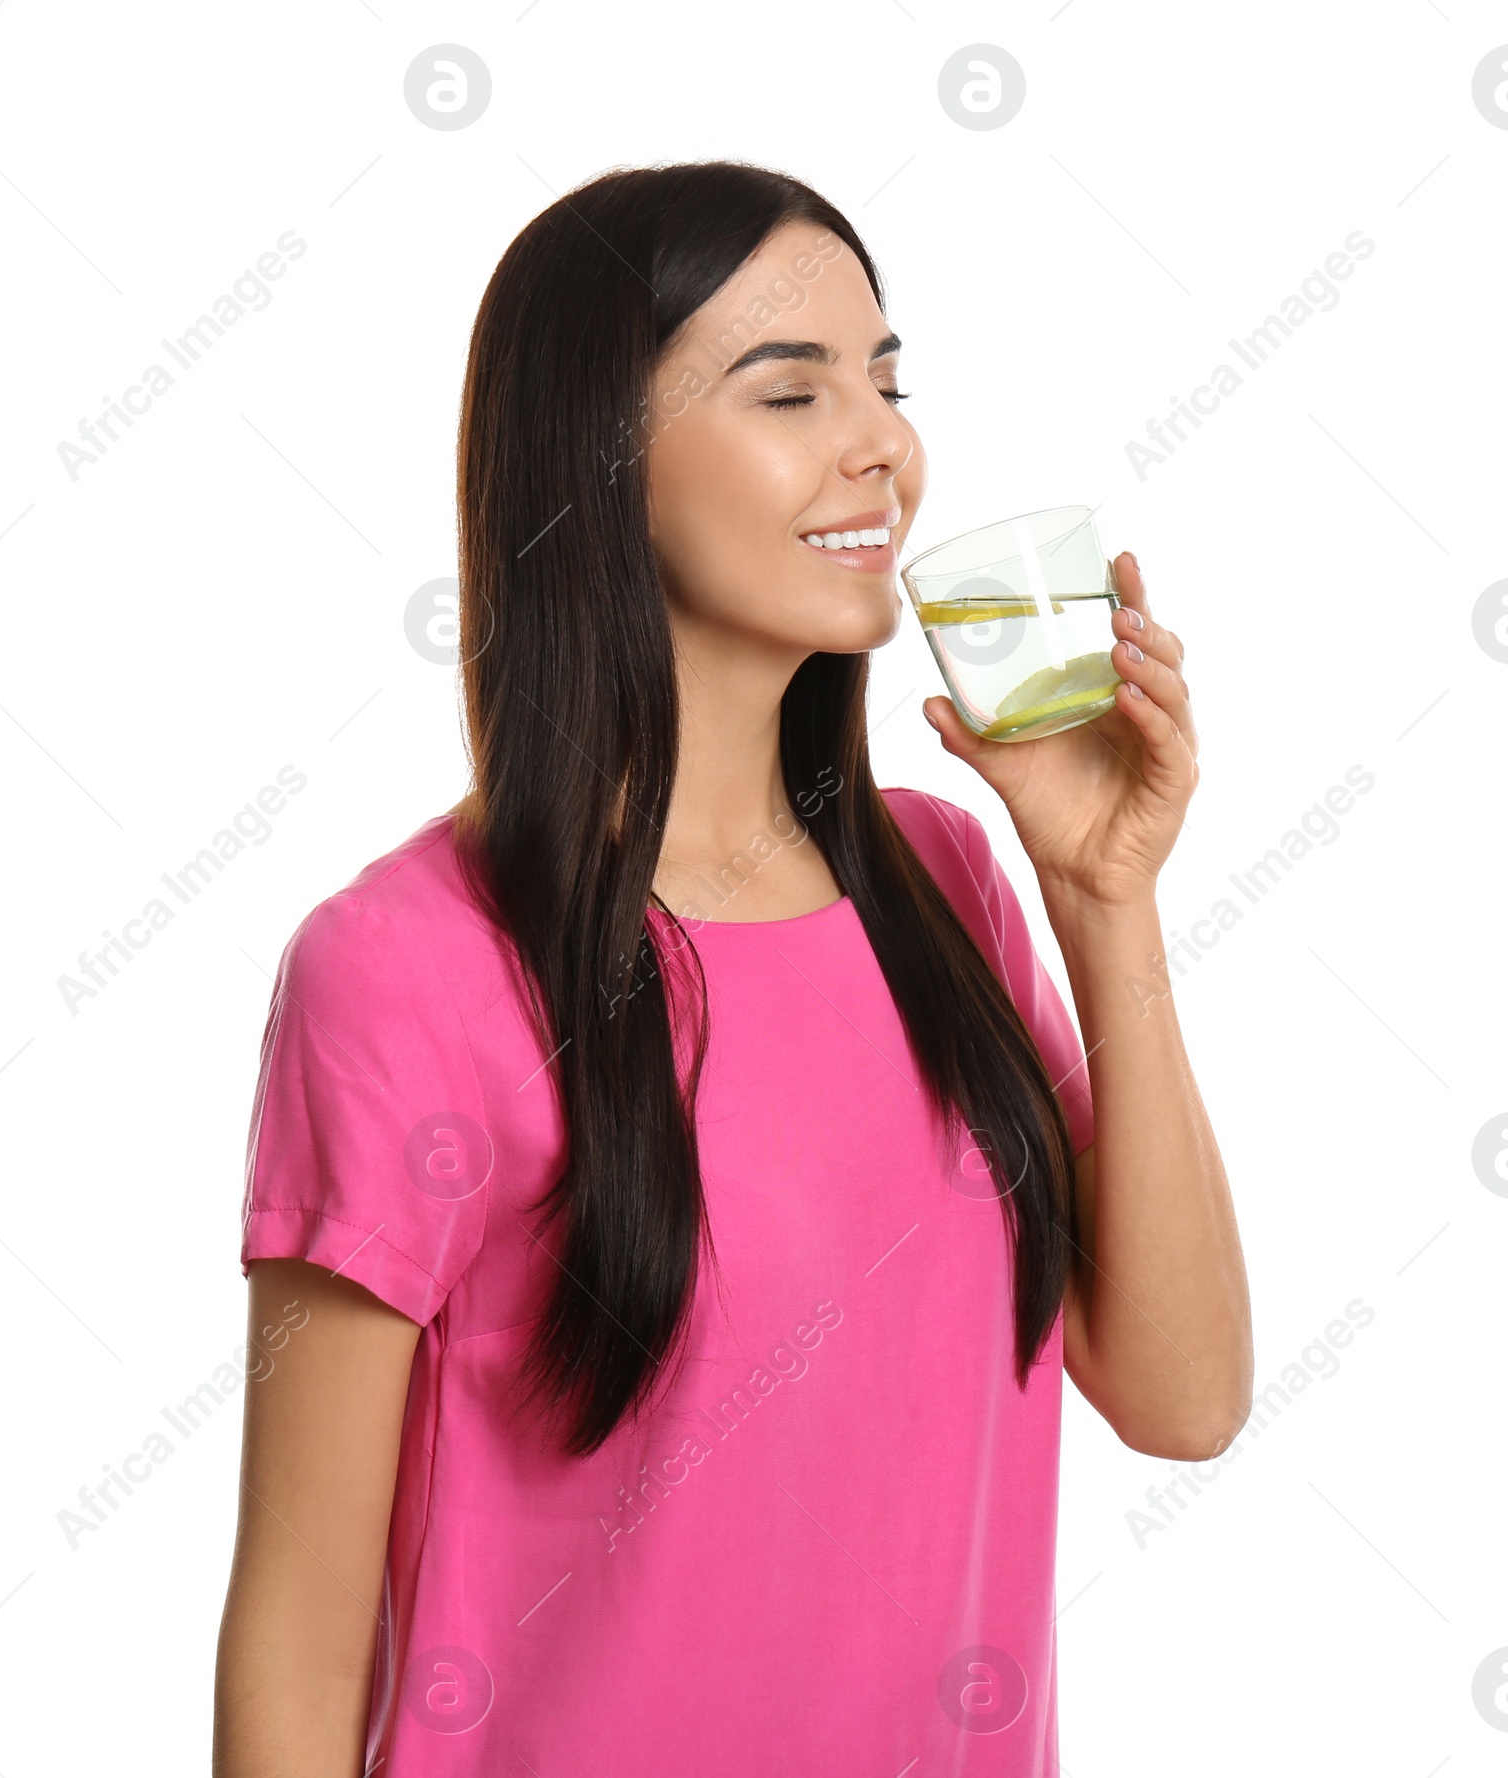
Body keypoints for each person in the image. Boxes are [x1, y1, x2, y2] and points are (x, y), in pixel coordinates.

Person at [213, 160, 1251, 1778]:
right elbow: (294, 1639)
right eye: (792, 388)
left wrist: (1102, 903)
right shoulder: (402, 971)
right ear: (601, 461)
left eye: (888, 380)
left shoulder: (951, 888)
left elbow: (1183, 1396)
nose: (883, 444)